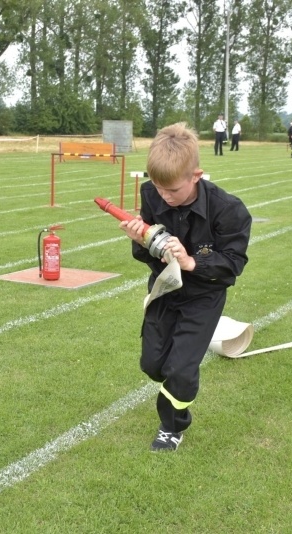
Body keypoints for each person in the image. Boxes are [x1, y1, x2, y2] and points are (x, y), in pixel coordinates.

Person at [118, 123, 252, 452]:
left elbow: (233, 263)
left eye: (173, 190)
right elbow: (147, 255)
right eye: (159, 188)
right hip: (165, 289)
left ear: (196, 176)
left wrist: (192, 262)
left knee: (180, 370)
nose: (164, 196)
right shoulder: (152, 193)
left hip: (204, 296)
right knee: (153, 365)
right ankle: (181, 366)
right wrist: (142, 241)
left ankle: (172, 426)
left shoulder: (229, 210)